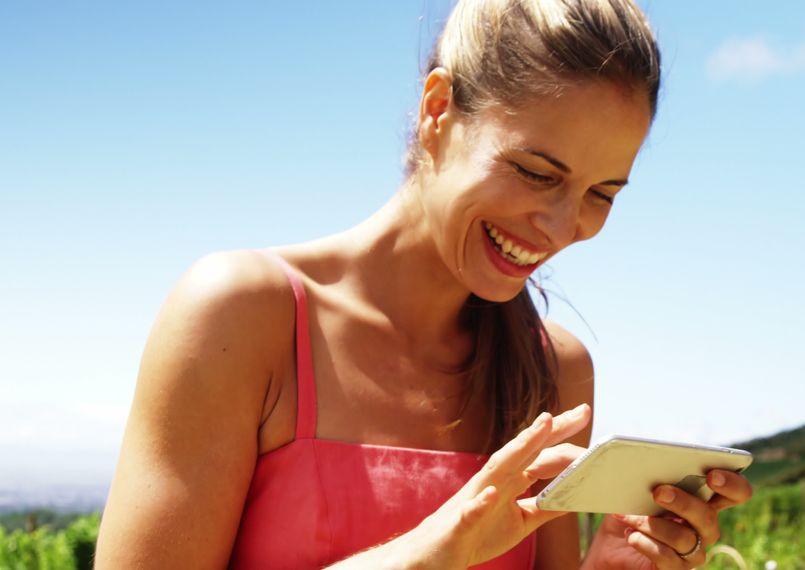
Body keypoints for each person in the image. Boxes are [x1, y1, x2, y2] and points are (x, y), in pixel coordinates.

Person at [95, 1, 752, 568]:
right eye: (535, 172)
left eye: (600, 193)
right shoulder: (240, 316)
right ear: (439, 111)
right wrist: (431, 554)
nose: (559, 227)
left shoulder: (557, 371)